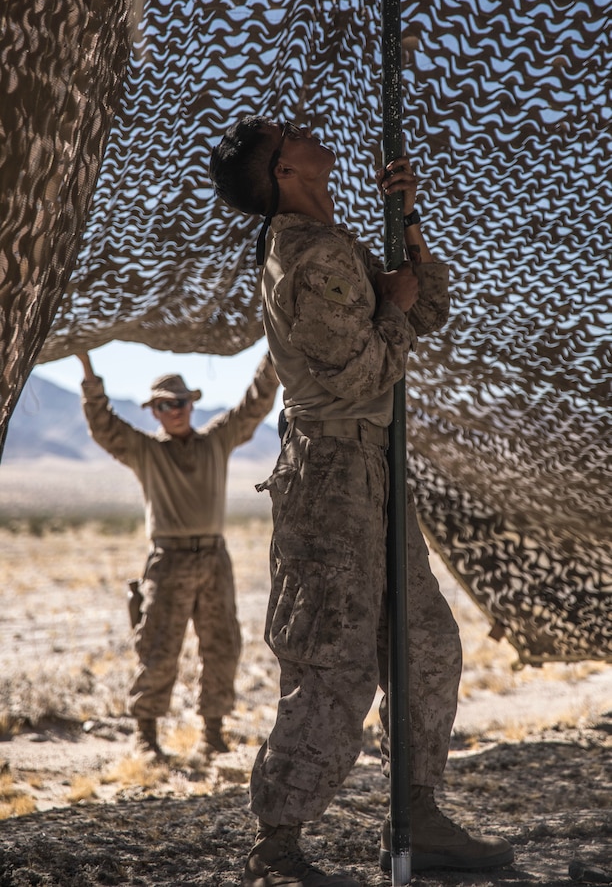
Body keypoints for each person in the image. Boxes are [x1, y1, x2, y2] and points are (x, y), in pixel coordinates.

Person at [209, 117, 514, 886]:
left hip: (372, 465)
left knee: (424, 644)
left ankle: (419, 814)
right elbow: (357, 373)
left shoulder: (333, 242)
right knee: (333, 657)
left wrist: (406, 227)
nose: (310, 132)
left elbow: (425, 313)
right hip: (332, 471)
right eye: (291, 136)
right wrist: (389, 305)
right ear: (284, 172)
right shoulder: (305, 255)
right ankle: (275, 848)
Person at [77, 350, 279, 761]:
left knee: (222, 645)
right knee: (158, 647)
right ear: (153, 411)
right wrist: (87, 371)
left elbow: (254, 404)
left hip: (213, 559)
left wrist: (272, 355)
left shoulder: (218, 439)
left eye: (180, 402)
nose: (174, 411)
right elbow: (103, 426)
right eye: (164, 405)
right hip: (168, 562)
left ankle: (213, 734)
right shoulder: (145, 451)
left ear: (192, 404)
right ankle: (147, 737)